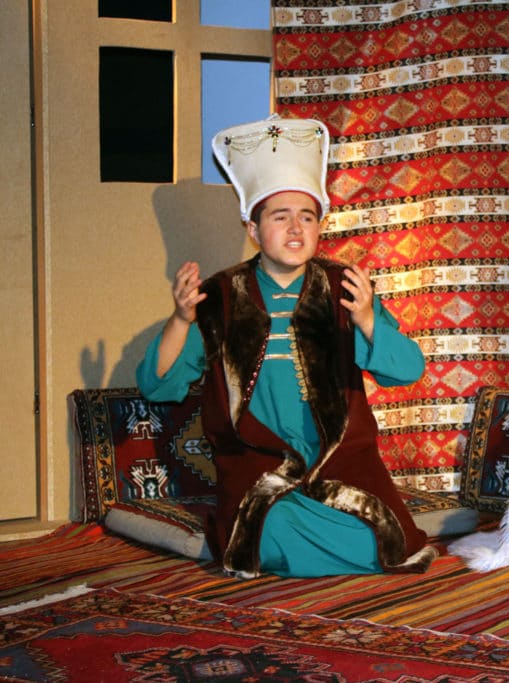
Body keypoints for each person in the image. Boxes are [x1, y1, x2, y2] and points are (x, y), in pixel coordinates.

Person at [136, 115, 435, 579]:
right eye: (280, 217)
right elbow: (158, 387)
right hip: (258, 469)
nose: (296, 228)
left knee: (378, 535)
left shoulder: (344, 288)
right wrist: (180, 320)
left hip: (342, 466)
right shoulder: (219, 297)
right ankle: (303, 545)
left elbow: (409, 369)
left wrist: (366, 320)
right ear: (254, 229)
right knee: (269, 530)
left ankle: (320, 549)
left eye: (307, 217)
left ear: (319, 227)